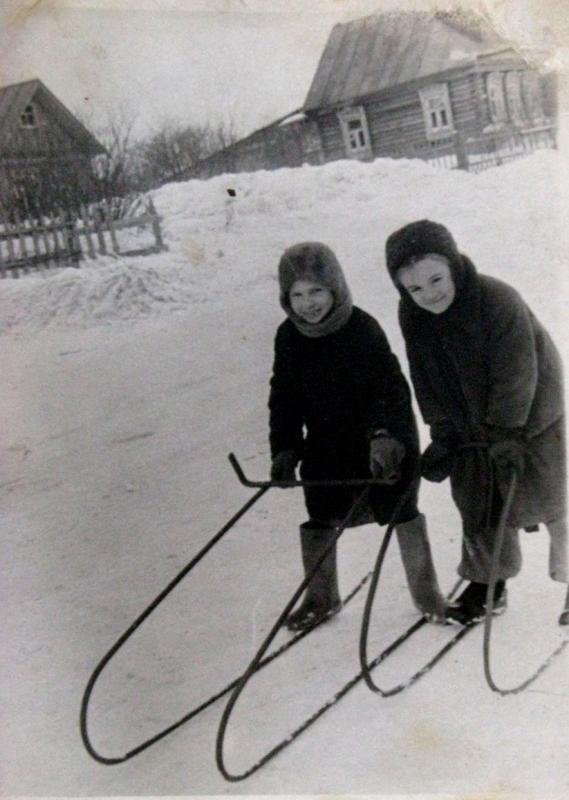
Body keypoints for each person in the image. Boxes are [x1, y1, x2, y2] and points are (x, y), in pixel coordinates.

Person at [384, 219, 568, 626]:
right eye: (414, 288)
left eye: (436, 279)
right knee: (477, 501)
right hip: (471, 425)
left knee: (549, 498)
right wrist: (443, 432)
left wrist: (506, 432)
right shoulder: (413, 315)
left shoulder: (497, 299)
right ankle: (488, 584)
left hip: (531, 414)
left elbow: (518, 371)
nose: (429, 294)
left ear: (453, 265)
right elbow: (424, 374)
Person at [268, 241, 448, 632]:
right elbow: (284, 397)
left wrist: (385, 436)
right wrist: (284, 448)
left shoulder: (361, 328)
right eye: (296, 295)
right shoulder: (288, 337)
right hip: (327, 443)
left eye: (316, 290)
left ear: (335, 287)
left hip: (382, 439)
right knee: (320, 513)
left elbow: (390, 389)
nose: (308, 303)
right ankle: (321, 596)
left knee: (400, 507)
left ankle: (426, 591)